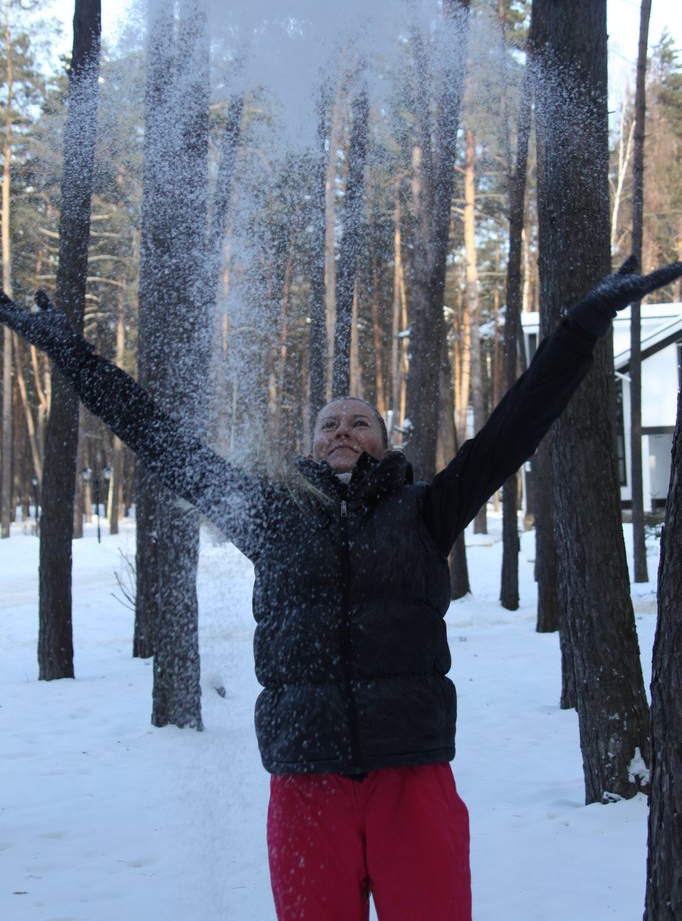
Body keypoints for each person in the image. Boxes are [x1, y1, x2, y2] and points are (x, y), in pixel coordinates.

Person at [2, 255, 681, 921]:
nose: (343, 430)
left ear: (384, 442)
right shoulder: (271, 516)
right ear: (312, 445)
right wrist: (77, 360)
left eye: (359, 421)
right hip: (305, 778)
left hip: (410, 774)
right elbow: (164, 443)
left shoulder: (426, 509)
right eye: (330, 423)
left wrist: (578, 331)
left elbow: (515, 426)